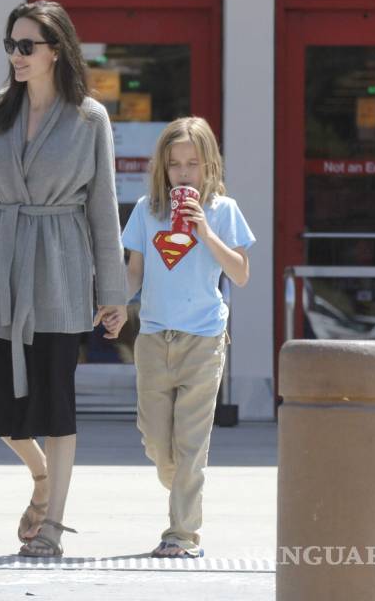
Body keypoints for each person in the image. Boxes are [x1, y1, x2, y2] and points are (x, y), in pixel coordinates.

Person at [0, 0, 127, 558]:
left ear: (56, 50)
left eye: (26, 46)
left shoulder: (89, 118)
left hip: (60, 269)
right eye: (10, 45)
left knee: (55, 403)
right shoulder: (0, 108)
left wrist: (113, 293)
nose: (15, 56)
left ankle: (53, 524)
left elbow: (104, 209)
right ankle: (41, 476)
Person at [110, 116, 255, 558]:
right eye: (175, 164)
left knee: (192, 444)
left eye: (193, 163)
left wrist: (205, 231)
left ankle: (182, 533)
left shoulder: (224, 211)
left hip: (204, 339)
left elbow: (240, 274)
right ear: (162, 167)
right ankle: (184, 488)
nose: (184, 173)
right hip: (154, 337)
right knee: (157, 442)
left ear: (209, 164)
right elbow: (134, 271)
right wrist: (116, 305)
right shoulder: (146, 210)